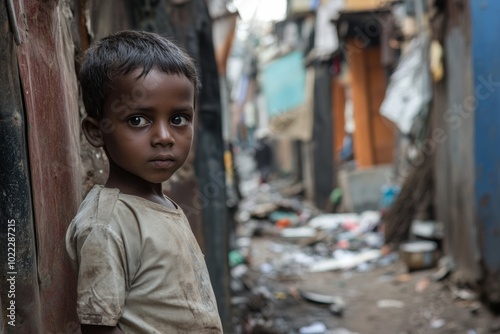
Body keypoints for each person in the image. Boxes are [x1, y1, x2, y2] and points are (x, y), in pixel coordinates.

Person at [65, 30, 223, 334]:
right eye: (138, 120)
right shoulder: (107, 224)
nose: (164, 137)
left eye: (178, 119)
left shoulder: (162, 206)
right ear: (96, 131)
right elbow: (98, 327)